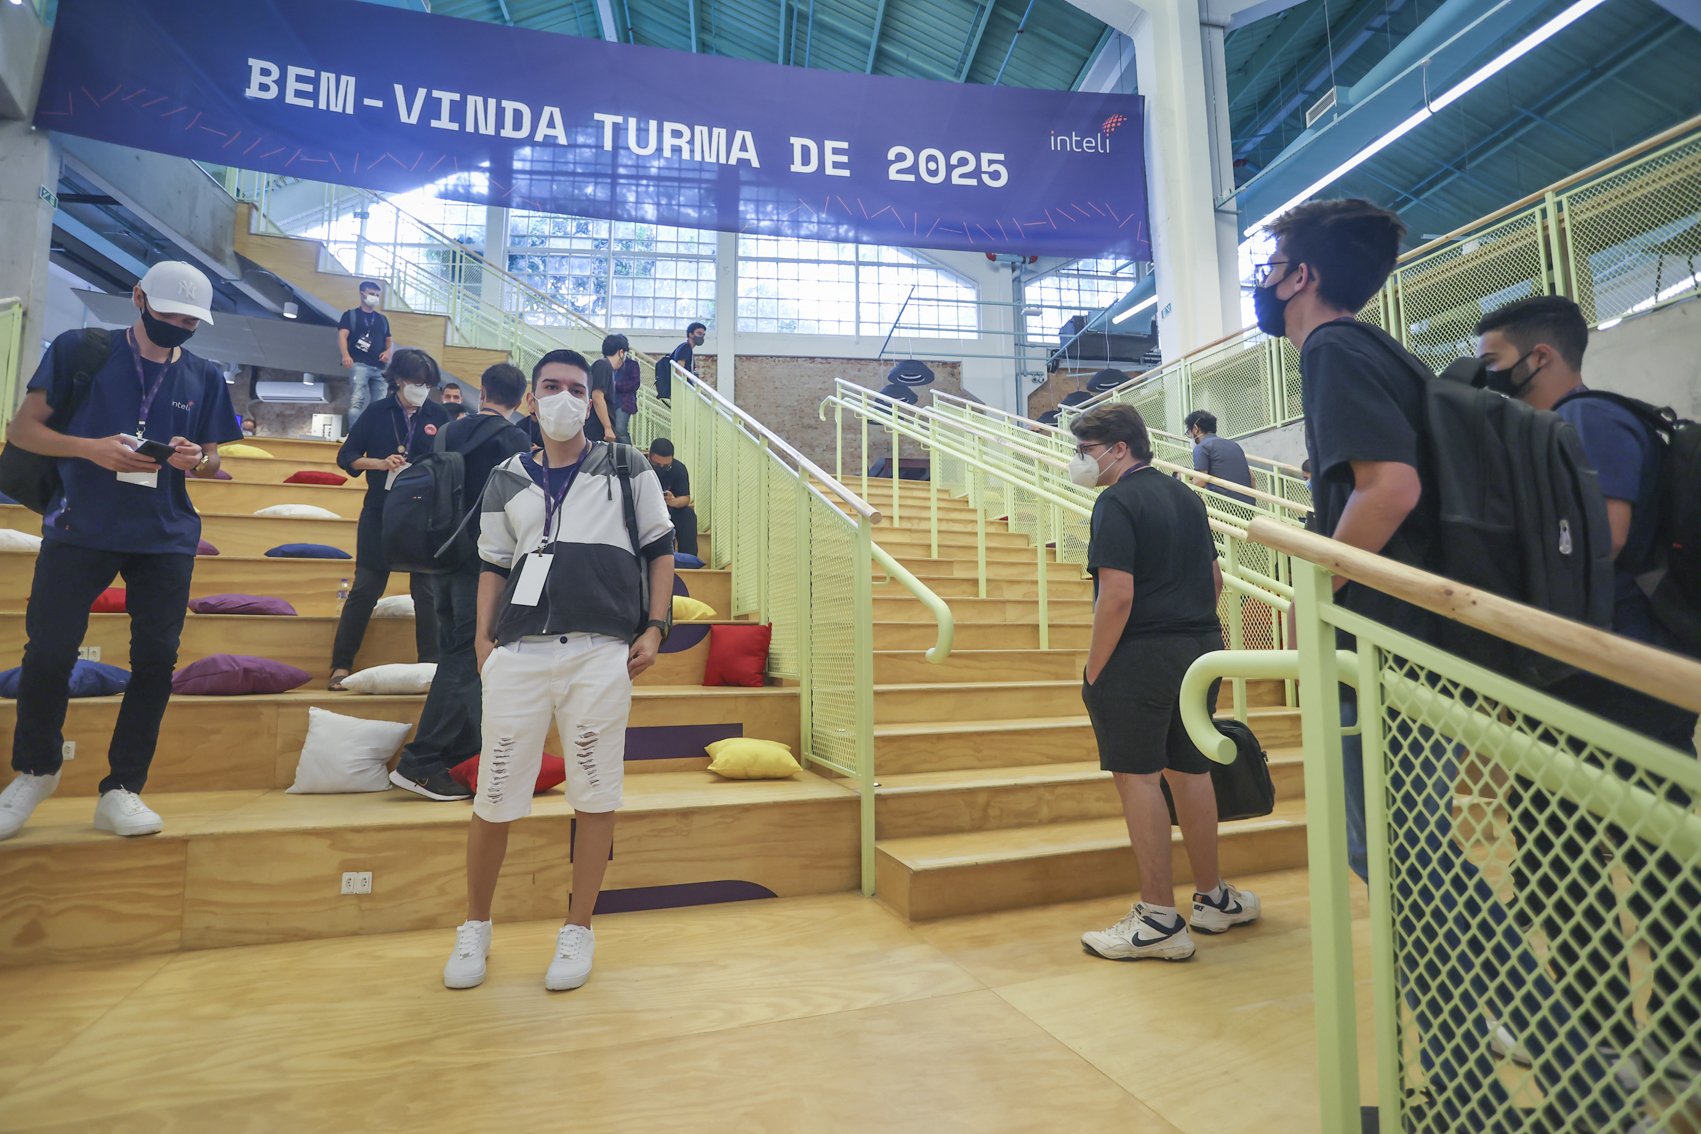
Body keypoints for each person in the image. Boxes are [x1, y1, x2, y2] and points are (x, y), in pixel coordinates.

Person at [1263, 198, 1623, 1127]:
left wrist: (1319, 589)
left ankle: (1552, 1059)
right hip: (1419, 639)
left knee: (1391, 846)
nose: (1264, 279)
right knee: (1400, 849)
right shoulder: (1379, 351)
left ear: (1301, 275)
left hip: (1389, 639)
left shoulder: (1333, 351)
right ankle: (1485, 1066)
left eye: (1272, 263)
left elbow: (1391, 489)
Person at [1475, 295, 1700, 1075]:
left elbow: (1596, 540)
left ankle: (1678, 1045)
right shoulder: (1547, 429)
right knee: (1558, 859)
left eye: (1492, 356)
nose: (1482, 372)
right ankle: (1590, 1030)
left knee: (1658, 862)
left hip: (1624, 676)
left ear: (1538, 357)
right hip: (1581, 676)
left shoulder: (1586, 421)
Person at [441, 348, 675, 991]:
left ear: (593, 397)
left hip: (601, 652)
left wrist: (656, 626)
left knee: (595, 792)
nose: (564, 397)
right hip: (518, 653)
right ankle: (476, 927)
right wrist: (485, 643)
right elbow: (492, 563)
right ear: (530, 398)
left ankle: (577, 929)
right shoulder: (508, 476)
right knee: (494, 795)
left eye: (576, 387)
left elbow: (660, 549)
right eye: (551, 386)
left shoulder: (627, 467)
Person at [0, 261, 240, 840]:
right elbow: (22, 430)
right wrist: (89, 449)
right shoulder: (82, 350)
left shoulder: (205, 376)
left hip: (165, 536)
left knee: (156, 661)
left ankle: (123, 787)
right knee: (50, 651)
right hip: (81, 525)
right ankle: (35, 771)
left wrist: (194, 458)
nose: (180, 327)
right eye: (170, 315)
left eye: (191, 321)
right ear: (138, 299)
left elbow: (214, 461)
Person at [1067, 403, 1259, 962]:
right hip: (1200, 648)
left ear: (1119, 448)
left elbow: (1117, 595)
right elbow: (1216, 579)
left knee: (1139, 778)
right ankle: (1213, 898)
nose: (1081, 460)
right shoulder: (1186, 495)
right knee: (1190, 769)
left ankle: (1157, 918)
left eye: (1086, 449)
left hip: (1140, 654)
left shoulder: (1116, 501)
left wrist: (1095, 668)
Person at [390, 365, 532, 802]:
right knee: (468, 658)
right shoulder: (515, 441)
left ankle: (465, 754)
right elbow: (520, 510)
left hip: (443, 558)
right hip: (486, 564)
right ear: (524, 398)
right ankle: (422, 761)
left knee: (460, 652)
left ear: (482, 391)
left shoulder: (448, 431)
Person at [327, 349, 447, 690]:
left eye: (426, 384)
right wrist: (379, 463)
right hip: (380, 511)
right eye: (414, 382)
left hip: (424, 516)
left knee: (427, 592)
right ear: (396, 379)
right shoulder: (377, 412)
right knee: (365, 588)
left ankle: (431, 668)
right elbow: (346, 457)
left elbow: (451, 462)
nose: (420, 389)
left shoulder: (438, 415)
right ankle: (340, 666)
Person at [338, 281, 393, 430]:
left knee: (380, 404)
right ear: (362, 293)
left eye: (377, 295)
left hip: (380, 367)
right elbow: (343, 335)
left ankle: (374, 435)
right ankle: (353, 434)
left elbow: (389, 339)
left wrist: (388, 352)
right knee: (358, 400)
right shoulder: (351, 315)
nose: (375, 297)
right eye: (372, 294)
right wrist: (345, 355)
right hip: (359, 363)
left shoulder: (382, 319)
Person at [1183, 410, 1254, 506]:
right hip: (1248, 506)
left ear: (1195, 429)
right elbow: (1252, 478)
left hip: (1223, 506)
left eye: (1189, 432)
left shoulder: (1202, 447)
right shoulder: (1234, 445)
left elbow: (1200, 481)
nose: (1190, 436)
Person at [647, 437, 698, 557]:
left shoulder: (678, 469)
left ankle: (688, 559)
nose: (661, 468)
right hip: (646, 510)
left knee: (688, 515)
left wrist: (673, 501)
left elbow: (685, 498)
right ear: (649, 457)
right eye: (657, 465)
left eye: (666, 466)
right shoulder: (639, 466)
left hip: (669, 508)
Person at [584, 334, 626, 444]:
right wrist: (608, 428)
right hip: (597, 430)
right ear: (621, 352)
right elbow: (597, 396)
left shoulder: (606, 367)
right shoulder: (603, 365)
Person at [661, 321, 707, 401]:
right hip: (682, 390)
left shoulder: (685, 348)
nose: (701, 336)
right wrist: (681, 389)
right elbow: (679, 369)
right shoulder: (686, 348)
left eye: (703, 335)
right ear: (690, 334)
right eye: (699, 333)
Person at [611, 356, 641, 445]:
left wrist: (615, 385)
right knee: (611, 431)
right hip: (608, 400)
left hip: (625, 402)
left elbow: (635, 384)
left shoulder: (631, 364)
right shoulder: (606, 363)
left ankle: (629, 453)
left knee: (620, 430)